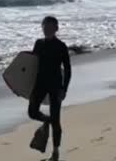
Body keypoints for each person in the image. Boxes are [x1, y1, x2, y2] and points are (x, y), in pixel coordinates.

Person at [28, 16, 71, 161]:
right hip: (40, 84)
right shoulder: (38, 44)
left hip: (55, 86)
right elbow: (32, 65)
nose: (47, 30)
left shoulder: (61, 46)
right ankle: (47, 121)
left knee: (56, 120)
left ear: (56, 29)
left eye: (50, 27)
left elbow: (68, 69)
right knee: (32, 112)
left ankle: (55, 152)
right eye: (45, 27)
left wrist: (64, 89)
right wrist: (25, 85)